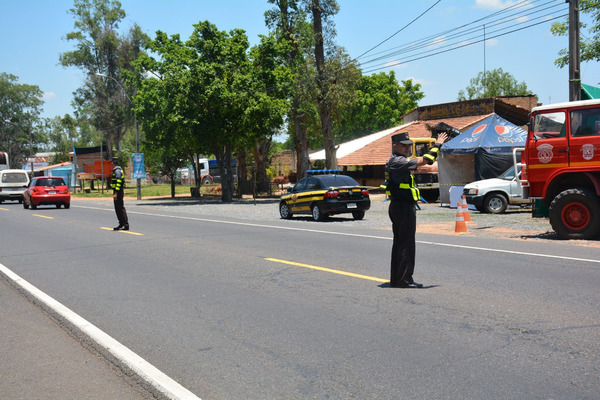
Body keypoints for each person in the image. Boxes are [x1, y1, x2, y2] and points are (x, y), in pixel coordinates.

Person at [384, 131, 447, 288]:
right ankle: (404, 280)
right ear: (395, 146)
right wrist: (438, 144)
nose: (407, 148)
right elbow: (426, 160)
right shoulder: (397, 161)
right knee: (406, 244)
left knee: (400, 243)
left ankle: (398, 279)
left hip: (401, 206)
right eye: (404, 146)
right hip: (402, 207)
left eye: (409, 146)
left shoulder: (397, 160)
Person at [111, 156, 129, 231]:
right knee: (118, 208)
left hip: (118, 192)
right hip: (117, 192)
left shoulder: (117, 170)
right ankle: (121, 224)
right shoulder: (117, 169)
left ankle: (125, 224)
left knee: (120, 208)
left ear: (113, 163)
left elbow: (118, 181)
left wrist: (116, 193)